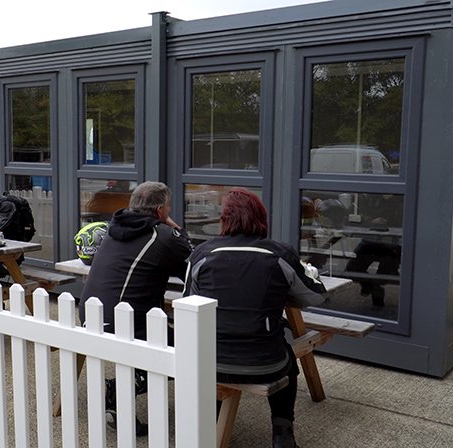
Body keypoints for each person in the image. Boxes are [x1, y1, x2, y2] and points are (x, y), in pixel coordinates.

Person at [183, 188, 326, 448]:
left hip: (208, 363)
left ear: (224, 219)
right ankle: (282, 432)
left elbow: (187, 305)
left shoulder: (202, 254)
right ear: (261, 218)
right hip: (264, 363)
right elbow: (314, 297)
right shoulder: (280, 254)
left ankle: (210, 421)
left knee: (217, 343)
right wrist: (310, 273)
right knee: (289, 357)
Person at [78, 181, 193, 435]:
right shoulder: (161, 236)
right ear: (161, 210)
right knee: (191, 349)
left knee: (164, 328)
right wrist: (176, 228)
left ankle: (128, 384)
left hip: (90, 316)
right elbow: (193, 264)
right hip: (124, 324)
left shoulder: (112, 229)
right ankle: (120, 389)